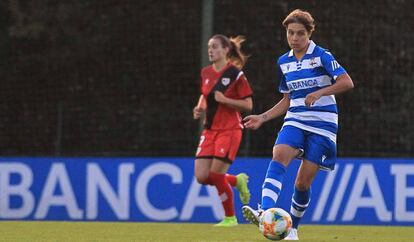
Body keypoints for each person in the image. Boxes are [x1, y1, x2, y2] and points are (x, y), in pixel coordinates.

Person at [242, 9, 354, 240]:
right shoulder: (284, 62)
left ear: (309, 34)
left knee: (302, 183)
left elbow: (347, 82)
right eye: (291, 33)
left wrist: (320, 92)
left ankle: (293, 228)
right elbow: (287, 99)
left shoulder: (322, 56)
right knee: (279, 155)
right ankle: (265, 211)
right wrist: (262, 117)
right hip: (296, 118)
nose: (294, 38)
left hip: (323, 125)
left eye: (300, 34)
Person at [193, 34, 253, 227]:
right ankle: (237, 181)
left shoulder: (235, 74)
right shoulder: (206, 72)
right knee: (202, 176)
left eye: (215, 47)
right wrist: (200, 106)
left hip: (229, 130)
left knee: (217, 175)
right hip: (210, 130)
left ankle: (230, 218)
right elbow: (205, 95)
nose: (210, 50)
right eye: (209, 47)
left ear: (226, 50)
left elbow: (248, 105)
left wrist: (226, 100)